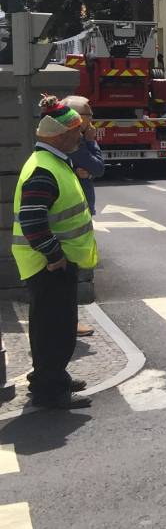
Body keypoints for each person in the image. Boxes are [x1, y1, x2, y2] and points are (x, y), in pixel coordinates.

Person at [11, 96, 100, 409]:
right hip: (49, 265)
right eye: (76, 130)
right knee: (54, 331)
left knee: (52, 327)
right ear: (60, 136)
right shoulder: (45, 169)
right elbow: (34, 220)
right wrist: (54, 257)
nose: (80, 134)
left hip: (51, 263)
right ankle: (50, 392)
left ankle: (51, 378)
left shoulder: (50, 162)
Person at [62, 95, 105, 339]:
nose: (92, 122)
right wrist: (88, 157)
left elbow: (99, 168)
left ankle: (71, 319)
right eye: (89, 117)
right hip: (72, 214)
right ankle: (70, 321)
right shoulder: (75, 143)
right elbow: (95, 166)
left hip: (82, 209)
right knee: (71, 271)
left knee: (74, 271)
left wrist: (89, 167)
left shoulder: (83, 141)